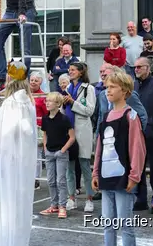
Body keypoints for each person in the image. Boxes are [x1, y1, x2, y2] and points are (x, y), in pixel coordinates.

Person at [92, 69, 146, 246]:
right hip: (106, 176)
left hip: (124, 178)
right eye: (107, 87)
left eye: (113, 87)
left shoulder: (131, 116)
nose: (108, 90)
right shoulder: (106, 116)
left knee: (125, 224)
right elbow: (100, 147)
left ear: (124, 91)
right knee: (108, 224)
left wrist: (134, 175)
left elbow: (137, 148)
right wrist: (95, 173)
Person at [0, 60, 37, 246]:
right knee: (20, 200)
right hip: (24, 159)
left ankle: (6, 238)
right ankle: (15, 237)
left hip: (10, 158)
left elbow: (7, 131)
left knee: (8, 199)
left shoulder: (11, 103)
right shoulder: (29, 102)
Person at [63, 62, 96, 213]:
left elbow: (89, 110)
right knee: (69, 167)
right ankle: (71, 198)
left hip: (82, 130)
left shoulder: (89, 88)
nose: (70, 72)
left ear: (81, 72)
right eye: (69, 70)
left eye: (73, 70)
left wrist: (72, 102)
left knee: (84, 165)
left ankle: (89, 198)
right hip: (69, 131)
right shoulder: (68, 88)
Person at [133, 57, 153, 211]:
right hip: (136, 133)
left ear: (147, 68)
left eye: (139, 67)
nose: (136, 69)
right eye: (135, 67)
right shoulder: (134, 85)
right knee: (138, 167)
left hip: (151, 132)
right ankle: (140, 200)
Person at [39, 92, 75, 220]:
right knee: (51, 180)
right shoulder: (45, 118)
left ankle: (62, 206)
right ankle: (54, 205)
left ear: (58, 104)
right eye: (46, 101)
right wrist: (45, 148)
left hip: (61, 153)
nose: (47, 103)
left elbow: (72, 137)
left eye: (50, 101)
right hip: (49, 152)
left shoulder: (64, 119)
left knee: (61, 181)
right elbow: (45, 134)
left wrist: (63, 150)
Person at [95, 64, 148, 136]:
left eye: (107, 75)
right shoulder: (102, 95)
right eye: (102, 74)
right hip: (106, 138)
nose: (104, 77)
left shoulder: (129, 95)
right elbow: (101, 117)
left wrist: (136, 135)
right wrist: (98, 136)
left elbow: (142, 116)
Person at [30, 71, 48, 189]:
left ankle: (36, 178)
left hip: (38, 126)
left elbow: (46, 113)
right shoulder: (26, 94)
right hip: (27, 126)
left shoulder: (42, 96)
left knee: (37, 154)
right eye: (32, 80)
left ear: (40, 82)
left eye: (36, 80)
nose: (33, 82)